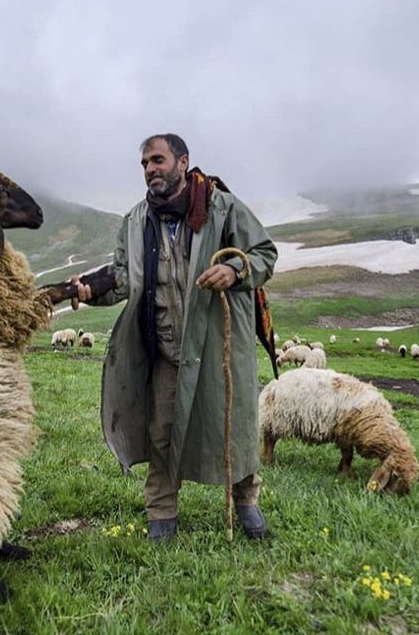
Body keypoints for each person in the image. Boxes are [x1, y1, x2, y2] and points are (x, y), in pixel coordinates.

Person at [72, 134, 277, 541]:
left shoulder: (222, 208)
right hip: (166, 350)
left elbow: (264, 254)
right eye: (145, 163)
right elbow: (122, 277)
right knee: (161, 431)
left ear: (183, 163)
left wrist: (236, 272)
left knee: (233, 424)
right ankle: (162, 514)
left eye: (158, 160)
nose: (150, 169)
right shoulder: (135, 221)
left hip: (218, 344)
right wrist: (88, 290)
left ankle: (246, 502)